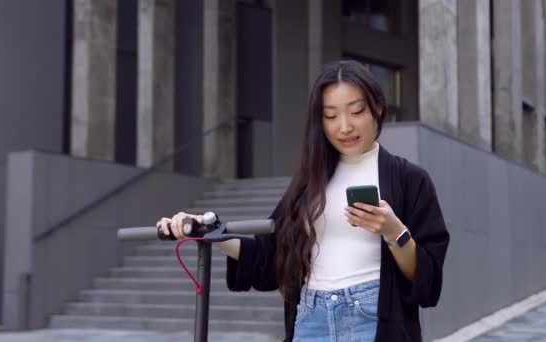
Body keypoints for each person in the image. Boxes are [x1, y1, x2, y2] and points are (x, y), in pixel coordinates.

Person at [157, 60, 450, 342]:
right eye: (331, 116)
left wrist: (393, 231)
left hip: (372, 319)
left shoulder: (410, 179)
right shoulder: (311, 181)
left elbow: (427, 281)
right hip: (310, 319)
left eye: (357, 111)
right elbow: (271, 255)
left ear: (378, 109)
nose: (344, 127)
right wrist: (212, 234)